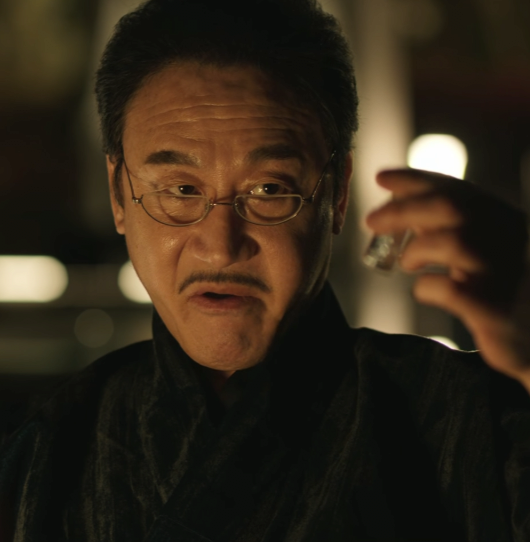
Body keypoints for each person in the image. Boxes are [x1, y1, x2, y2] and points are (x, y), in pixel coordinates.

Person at [1, 0, 530, 540]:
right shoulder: (47, 450)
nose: (220, 248)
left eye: (269, 189)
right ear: (119, 193)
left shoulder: (466, 418)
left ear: (338, 193)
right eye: (181, 190)